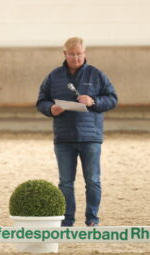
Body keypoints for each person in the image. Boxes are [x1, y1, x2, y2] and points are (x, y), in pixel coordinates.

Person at [36, 36, 118, 227]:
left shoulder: (96, 75)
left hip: (90, 137)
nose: (76, 58)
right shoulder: (54, 76)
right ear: (65, 54)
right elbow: (41, 101)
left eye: (79, 54)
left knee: (93, 180)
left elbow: (112, 99)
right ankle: (67, 220)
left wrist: (93, 101)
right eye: (72, 54)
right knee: (65, 182)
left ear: (85, 53)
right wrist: (50, 109)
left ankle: (92, 218)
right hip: (64, 138)